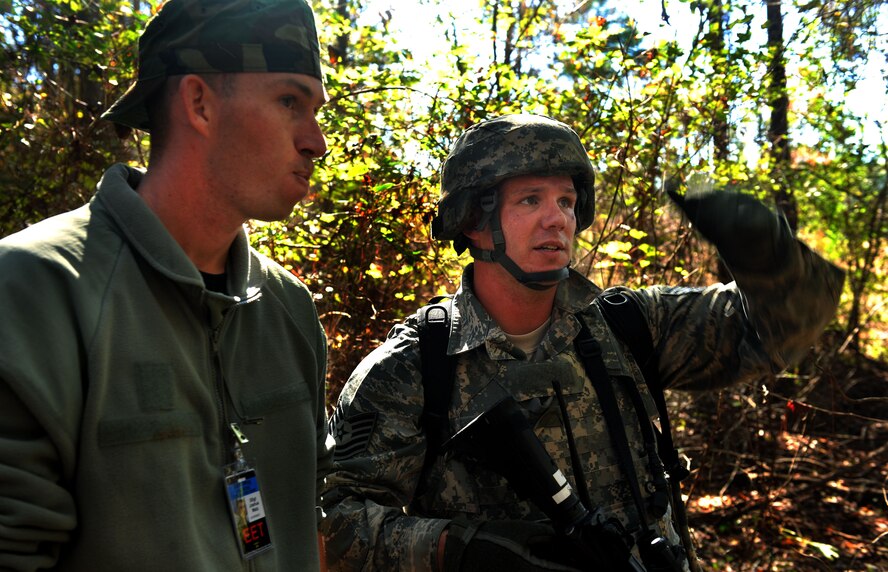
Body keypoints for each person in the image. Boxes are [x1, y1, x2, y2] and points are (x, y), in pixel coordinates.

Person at [319, 113, 845, 571]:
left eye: (567, 201)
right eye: (531, 199)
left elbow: (779, 329)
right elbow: (332, 524)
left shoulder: (628, 325)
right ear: (474, 224)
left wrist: (770, 255)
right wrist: (458, 549)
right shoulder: (415, 366)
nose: (558, 219)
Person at [0, 0, 331, 569]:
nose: (316, 141)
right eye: (288, 102)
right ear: (199, 103)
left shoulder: (287, 308)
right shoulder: (38, 287)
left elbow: (311, 519)